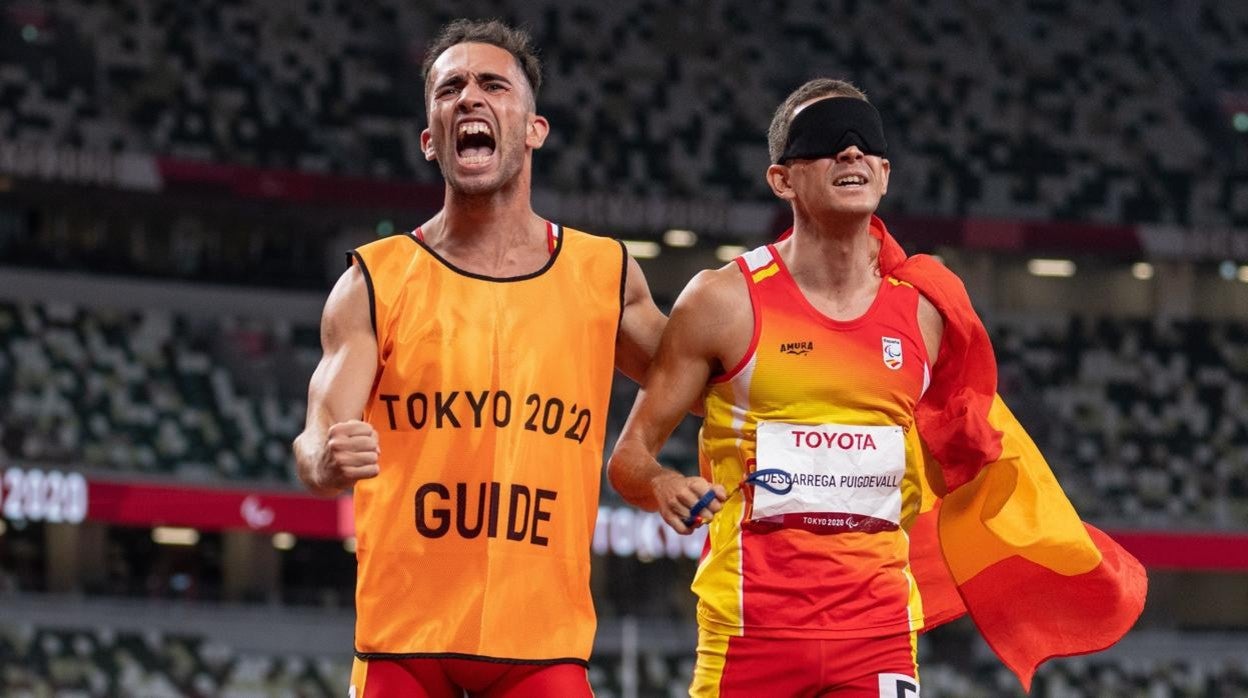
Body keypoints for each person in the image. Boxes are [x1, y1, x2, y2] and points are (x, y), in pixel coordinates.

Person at [608, 78, 1146, 696]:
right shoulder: (723, 301)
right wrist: (663, 484)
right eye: (828, 139)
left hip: (879, 636)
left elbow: (952, 457)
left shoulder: (926, 314)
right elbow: (629, 459)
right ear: (782, 179)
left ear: (885, 174)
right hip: (749, 634)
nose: (851, 153)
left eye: (867, 142)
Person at [292, 19, 666, 698]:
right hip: (405, 639)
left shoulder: (605, 274)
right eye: (450, 89)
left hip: (542, 643)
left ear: (534, 128)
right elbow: (319, 440)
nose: (470, 98)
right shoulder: (372, 282)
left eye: (493, 85)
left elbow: (698, 374)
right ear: (430, 140)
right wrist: (323, 458)